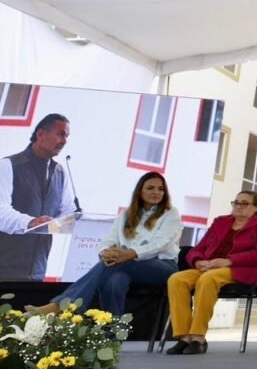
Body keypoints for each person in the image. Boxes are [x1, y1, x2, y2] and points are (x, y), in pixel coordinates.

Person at [27, 172, 182, 315]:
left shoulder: (171, 213)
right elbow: (109, 240)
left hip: (162, 267)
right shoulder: (127, 214)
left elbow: (160, 244)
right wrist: (105, 252)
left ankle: (61, 306)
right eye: (150, 188)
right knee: (115, 281)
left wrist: (129, 254)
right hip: (126, 264)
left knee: (119, 262)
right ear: (140, 191)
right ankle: (113, 331)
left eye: (161, 189)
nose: (156, 192)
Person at [165, 191, 257, 355]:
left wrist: (228, 261)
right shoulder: (220, 222)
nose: (238, 206)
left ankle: (198, 337)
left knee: (208, 278)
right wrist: (198, 261)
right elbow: (198, 248)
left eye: (244, 203)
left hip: (241, 269)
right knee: (176, 279)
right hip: (210, 267)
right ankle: (185, 336)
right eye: (236, 202)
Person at [0, 113, 76, 281]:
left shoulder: (60, 173)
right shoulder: (8, 165)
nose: (64, 141)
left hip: (38, 274)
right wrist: (31, 222)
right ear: (41, 134)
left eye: (67, 136)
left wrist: (80, 220)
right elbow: (1, 212)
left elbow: (66, 213)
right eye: (61, 134)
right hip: (4, 270)